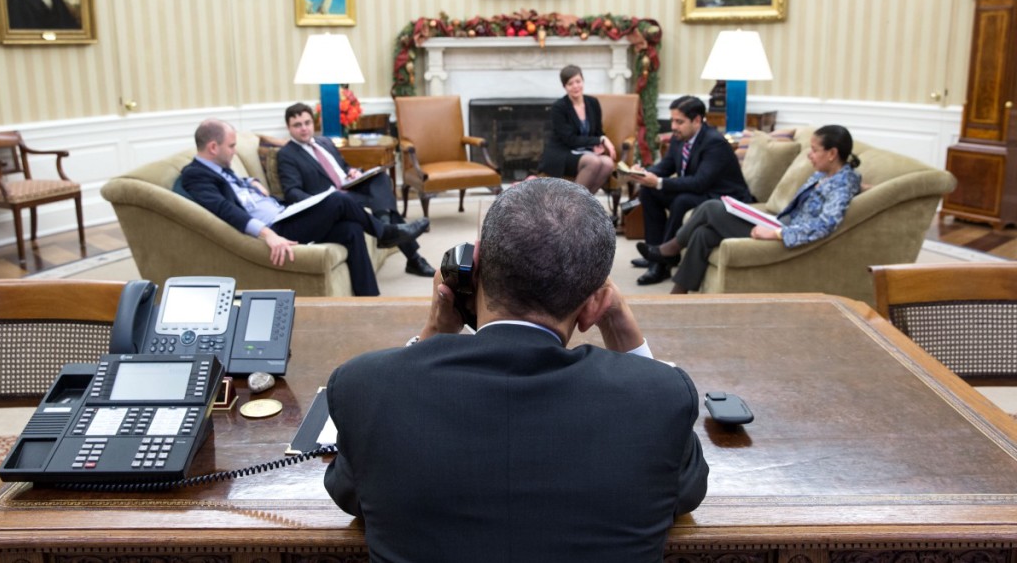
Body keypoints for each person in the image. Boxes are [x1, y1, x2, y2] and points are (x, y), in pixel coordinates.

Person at [324, 178, 709, 561]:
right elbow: (687, 489)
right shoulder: (661, 398)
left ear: (471, 273)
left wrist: (434, 333)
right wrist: (622, 326)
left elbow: (350, 492)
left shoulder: (364, 388)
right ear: (594, 305)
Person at [180, 119, 429, 297]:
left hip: (283, 213)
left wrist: (250, 181)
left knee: (351, 228)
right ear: (213, 147)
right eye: (231, 146)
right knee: (339, 200)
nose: (234, 152)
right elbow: (225, 209)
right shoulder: (195, 175)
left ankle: (369, 300)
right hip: (275, 228)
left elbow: (234, 188)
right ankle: (385, 233)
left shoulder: (216, 168)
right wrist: (268, 235)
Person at [637, 125, 862, 295]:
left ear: (832, 153)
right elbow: (856, 182)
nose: (809, 155)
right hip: (779, 222)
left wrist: (776, 233)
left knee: (711, 207)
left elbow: (825, 225)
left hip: (785, 235)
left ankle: (669, 250)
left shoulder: (841, 184)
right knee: (703, 233)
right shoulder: (826, 175)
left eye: (814, 150)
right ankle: (679, 295)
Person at [277, 103, 435, 277]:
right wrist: (320, 203)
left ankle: (384, 224)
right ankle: (413, 258)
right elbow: (292, 191)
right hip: (332, 201)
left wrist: (353, 172)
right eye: (297, 125)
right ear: (288, 127)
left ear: (313, 124)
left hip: (349, 188)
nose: (304, 129)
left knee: (381, 177)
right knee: (386, 208)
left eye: (307, 123)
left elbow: (343, 167)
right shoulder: (287, 154)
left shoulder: (325, 142)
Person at [627, 95, 752, 286]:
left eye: (679, 121)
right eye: (672, 120)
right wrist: (644, 174)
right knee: (649, 192)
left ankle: (663, 263)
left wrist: (659, 181)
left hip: (721, 197)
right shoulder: (680, 138)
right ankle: (654, 253)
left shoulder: (714, 143)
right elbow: (666, 166)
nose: (674, 126)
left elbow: (700, 182)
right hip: (700, 191)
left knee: (681, 200)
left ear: (697, 120)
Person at [538, 64, 616, 194]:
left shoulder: (593, 103)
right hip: (562, 153)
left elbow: (598, 131)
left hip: (585, 152)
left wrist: (599, 145)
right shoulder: (559, 107)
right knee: (593, 162)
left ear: (583, 81)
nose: (575, 86)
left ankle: (584, 205)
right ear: (565, 87)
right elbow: (570, 140)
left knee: (608, 163)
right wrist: (601, 140)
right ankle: (572, 205)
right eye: (570, 83)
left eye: (578, 81)